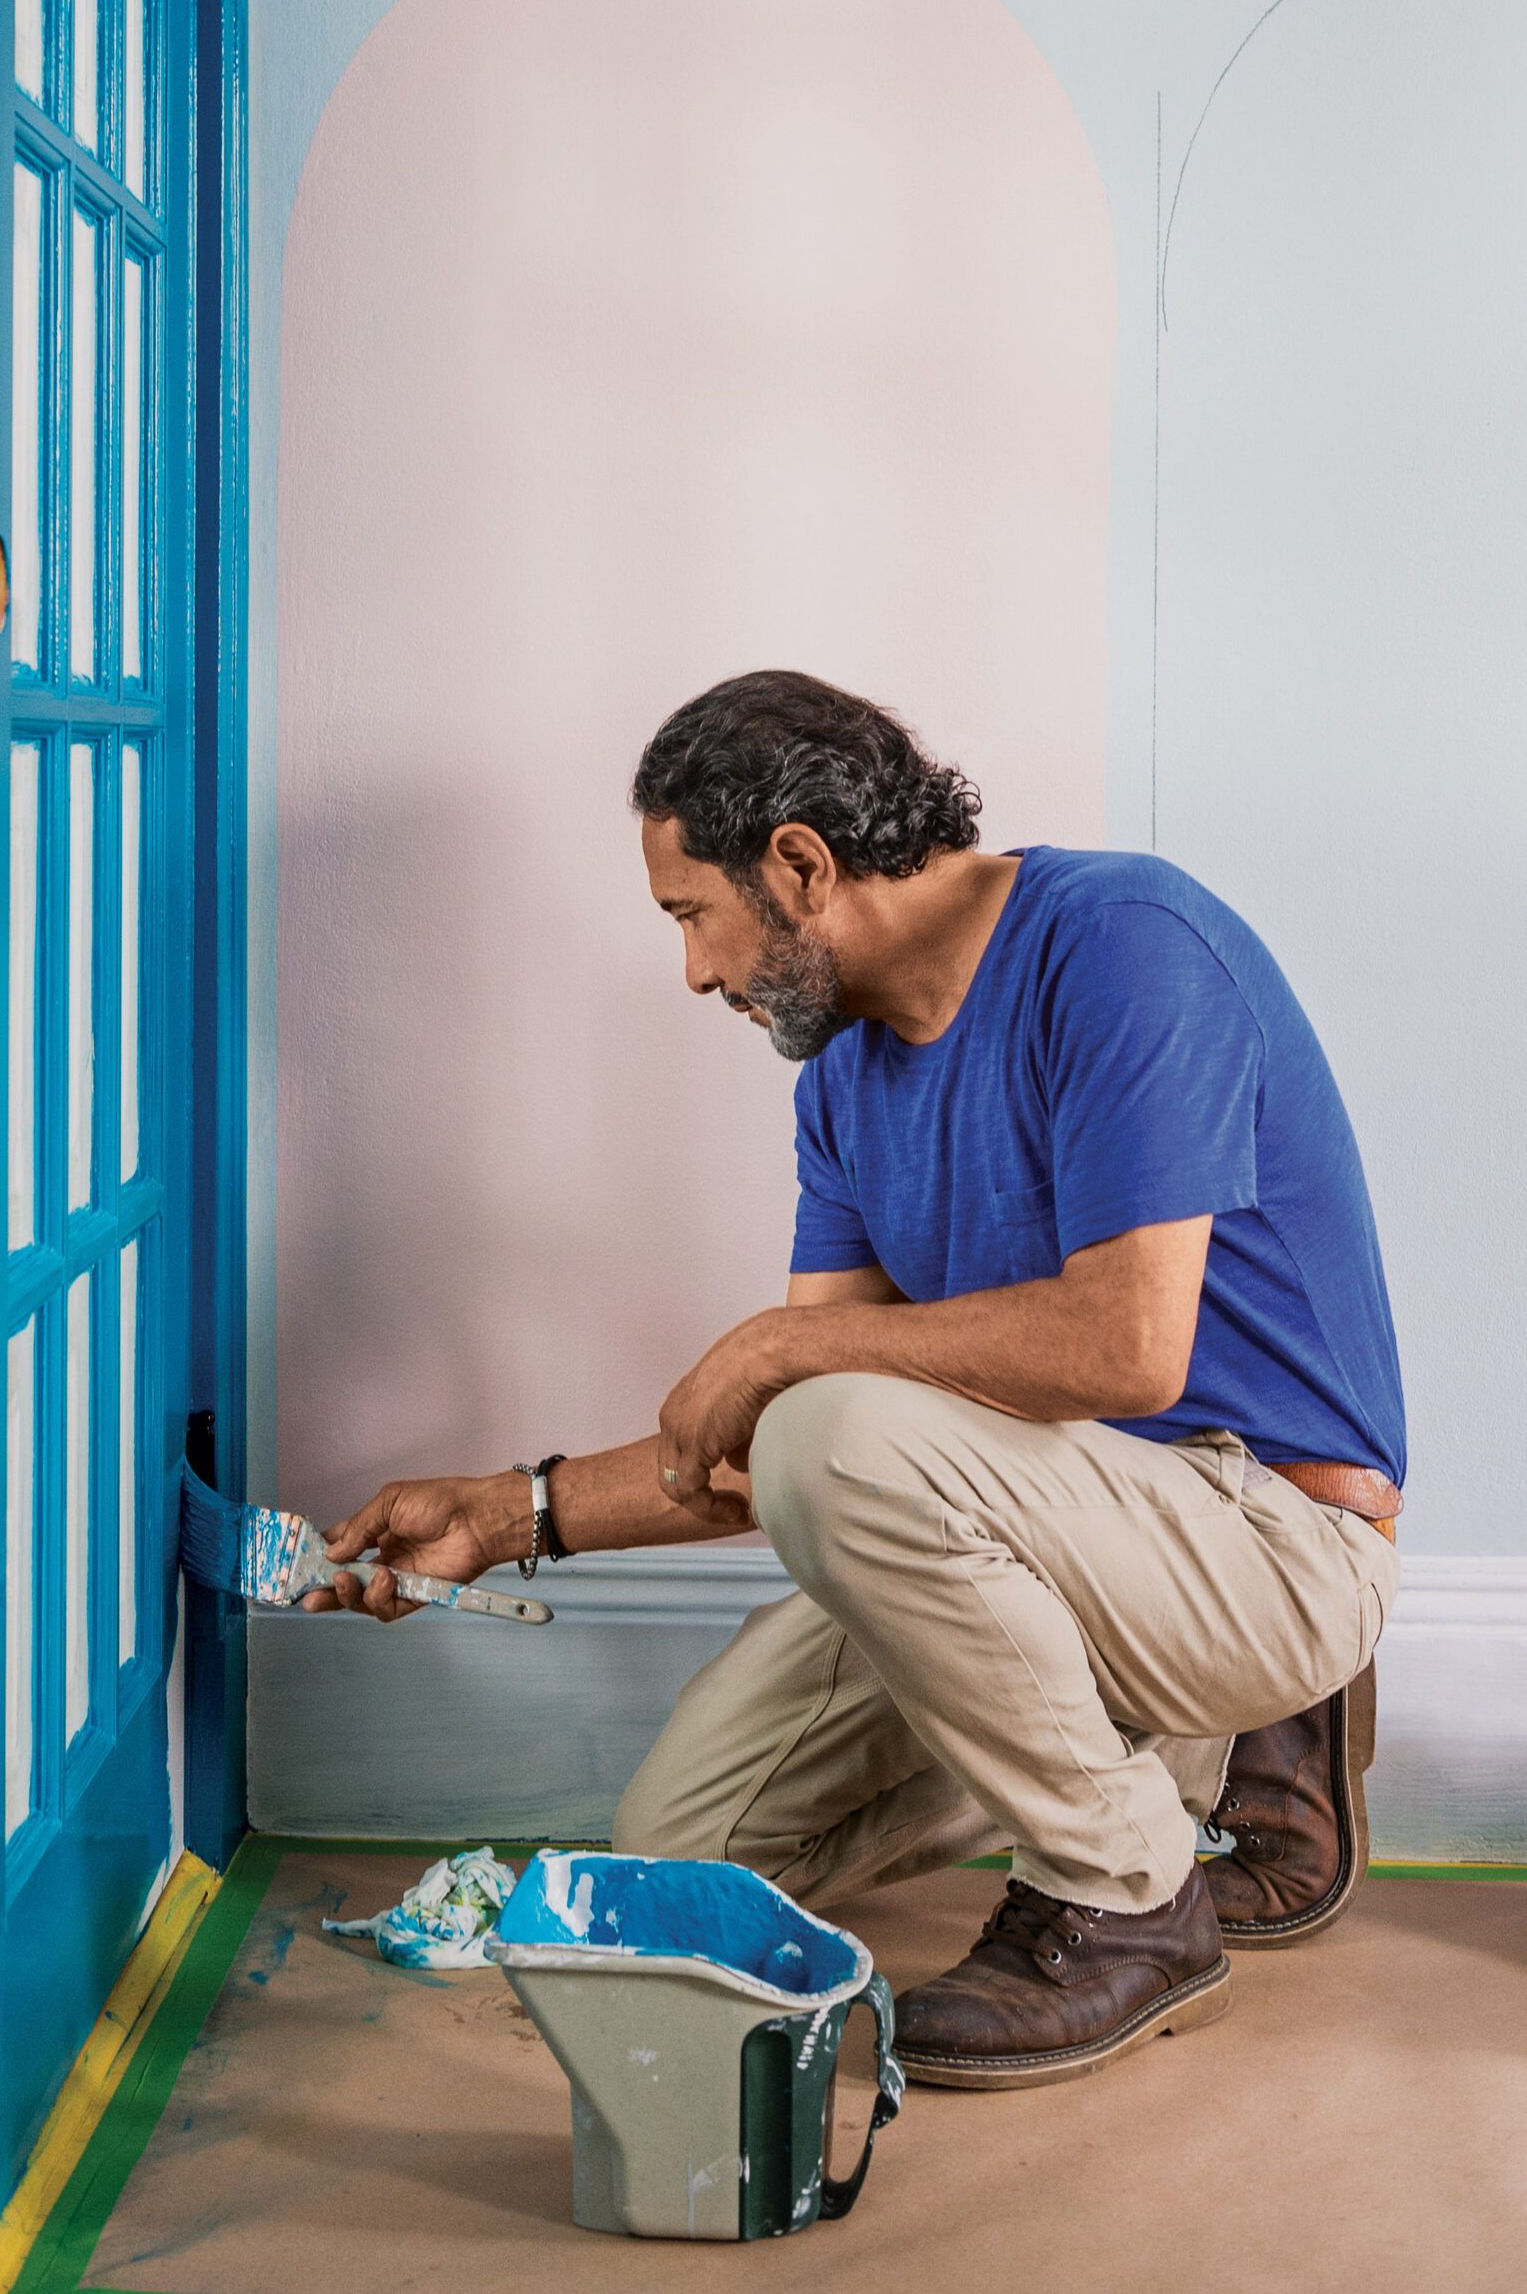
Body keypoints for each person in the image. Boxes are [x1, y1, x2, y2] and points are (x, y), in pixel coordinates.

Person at [302, 670, 1405, 2088]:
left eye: (690, 915)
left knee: (832, 1407)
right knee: (676, 1856)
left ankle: (1128, 1896)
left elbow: (1129, 1351)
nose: (694, 971)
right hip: (1073, 1545)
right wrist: (516, 1513)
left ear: (802, 866)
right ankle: (1128, 1746)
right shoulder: (843, 1088)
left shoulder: (1123, 944)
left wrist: (783, 1347)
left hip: (1275, 1541)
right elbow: (794, 1460)